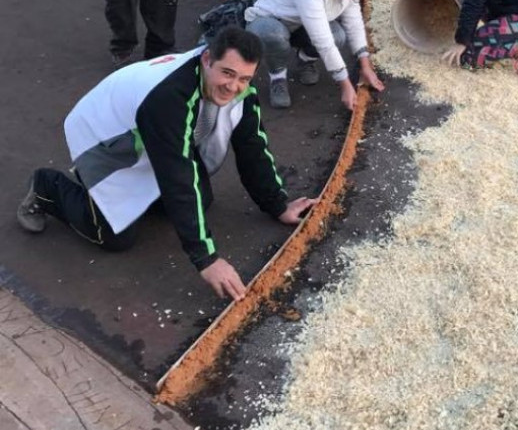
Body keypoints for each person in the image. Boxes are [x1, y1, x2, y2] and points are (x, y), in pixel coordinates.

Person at [16, 27, 316, 302]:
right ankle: (46, 188)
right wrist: (207, 259)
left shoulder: (239, 90)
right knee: (115, 236)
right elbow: (178, 178)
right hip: (107, 140)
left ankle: (141, 199)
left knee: (199, 200)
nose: (234, 86)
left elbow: (252, 146)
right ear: (207, 59)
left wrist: (277, 205)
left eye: (244, 79)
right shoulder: (169, 96)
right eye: (227, 73)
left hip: (156, 136)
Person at [245, 0, 385, 110]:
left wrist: (366, 66)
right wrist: (346, 86)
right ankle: (277, 76)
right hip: (269, 21)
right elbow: (322, 41)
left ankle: (304, 59)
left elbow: (354, 24)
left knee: (338, 35)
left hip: (299, 25)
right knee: (272, 34)